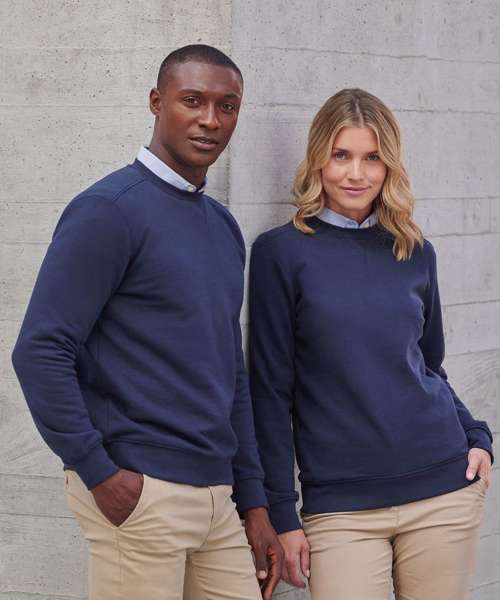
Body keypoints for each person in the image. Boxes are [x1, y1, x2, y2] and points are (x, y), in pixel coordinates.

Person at [11, 44, 283, 600]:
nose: (211, 120)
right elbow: (40, 350)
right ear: (157, 103)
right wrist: (100, 472)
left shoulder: (222, 227)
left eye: (227, 106)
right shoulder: (109, 210)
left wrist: (253, 501)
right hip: (139, 492)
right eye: (192, 101)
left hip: (218, 499)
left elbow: (229, 369)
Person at [248, 88, 493, 600]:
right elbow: (269, 392)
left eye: (372, 158)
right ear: (318, 158)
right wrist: (281, 512)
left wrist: (476, 435)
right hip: (341, 507)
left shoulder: (414, 250)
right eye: (341, 155)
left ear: (389, 166)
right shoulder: (280, 253)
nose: (355, 174)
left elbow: (428, 366)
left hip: (442, 487)